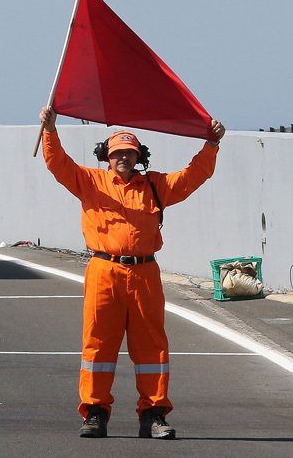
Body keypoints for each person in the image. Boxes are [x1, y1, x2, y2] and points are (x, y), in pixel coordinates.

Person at [38, 106, 226, 439]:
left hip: (145, 275)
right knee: (97, 345)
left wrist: (211, 145)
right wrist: (50, 130)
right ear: (106, 157)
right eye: (117, 153)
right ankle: (95, 414)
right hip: (103, 272)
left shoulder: (155, 186)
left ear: (138, 157)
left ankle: (153, 416)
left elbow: (193, 176)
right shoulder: (90, 181)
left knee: (152, 347)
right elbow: (58, 164)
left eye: (129, 153)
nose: (123, 158)